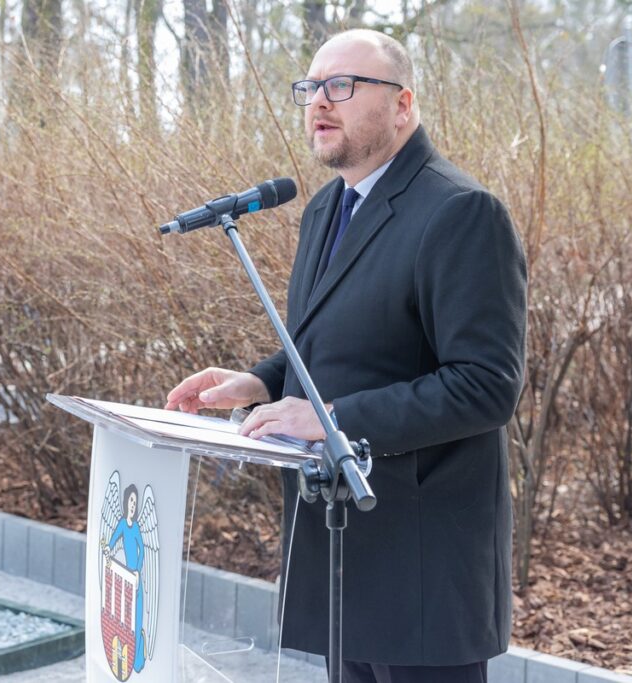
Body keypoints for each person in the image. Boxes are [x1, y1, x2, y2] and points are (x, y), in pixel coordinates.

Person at [165, 29, 527, 682]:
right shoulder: (327, 208)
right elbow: (330, 341)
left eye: (343, 86)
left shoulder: (462, 212)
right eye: (310, 88)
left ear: (403, 104)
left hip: (421, 561)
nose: (319, 103)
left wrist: (330, 417)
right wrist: (256, 379)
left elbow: (485, 385)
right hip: (339, 546)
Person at [104, 484, 147, 673]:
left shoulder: (136, 527)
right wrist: (108, 549)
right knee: (125, 618)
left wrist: (137, 570)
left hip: (135, 577)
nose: (132, 505)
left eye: (135, 502)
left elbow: (142, 551)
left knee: (136, 620)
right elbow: (113, 539)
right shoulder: (123, 524)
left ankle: (138, 658)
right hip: (125, 577)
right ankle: (125, 657)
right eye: (130, 501)